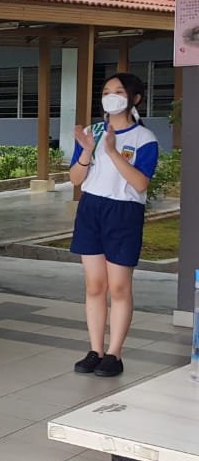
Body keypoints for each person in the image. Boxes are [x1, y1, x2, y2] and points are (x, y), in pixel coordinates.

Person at [69, 72, 158, 379]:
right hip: (91, 208)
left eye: (119, 91)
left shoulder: (144, 138)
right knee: (95, 285)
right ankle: (95, 350)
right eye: (106, 91)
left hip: (124, 212)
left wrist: (111, 151)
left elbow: (141, 183)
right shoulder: (91, 131)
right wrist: (87, 150)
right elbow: (75, 178)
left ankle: (114, 354)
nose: (111, 96)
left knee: (119, 287)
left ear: (135, 98)